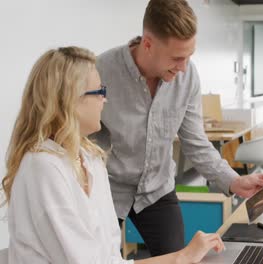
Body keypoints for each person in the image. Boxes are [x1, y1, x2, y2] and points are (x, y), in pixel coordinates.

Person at [2, 47, 224, 263]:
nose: (105, 100)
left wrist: (182, 257)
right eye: (100, 91)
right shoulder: (43, 168)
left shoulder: (91, 159)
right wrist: (180, 257)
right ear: (70, 100)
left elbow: (110, 259)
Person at [94, 0, 263, 256]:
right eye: (177, 58)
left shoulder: (187, 76)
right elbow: (80, 138)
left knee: (180, 259)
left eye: (189, 56)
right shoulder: (101, 71)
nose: (184, 67)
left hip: (157, 189)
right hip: (108, 189)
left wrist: (233, 180)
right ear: (147, 43)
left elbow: (196, 142)